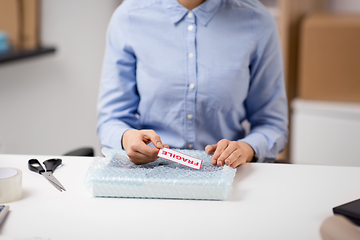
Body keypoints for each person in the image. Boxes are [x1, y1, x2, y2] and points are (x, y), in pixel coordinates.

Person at [97, 0, 288, 168]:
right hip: (149, 174)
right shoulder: (128, 16)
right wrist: (126, 138)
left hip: (227, 175)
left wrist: (246, 149)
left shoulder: (257, 20)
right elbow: (111, 119)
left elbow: (272, 123)